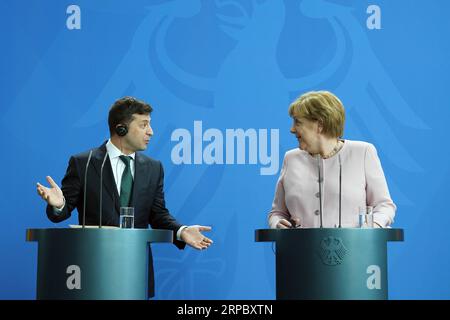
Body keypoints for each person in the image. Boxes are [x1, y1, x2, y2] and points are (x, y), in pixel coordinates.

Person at [36, 96, 213, 298]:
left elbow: (158, 215)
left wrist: (182, 231)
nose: (151, 132)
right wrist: (59, 205)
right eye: (144, 125)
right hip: (91, 271)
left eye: (150, 125)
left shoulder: (154, 168)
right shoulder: (83, 163)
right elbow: (61, 213)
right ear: (121, 128)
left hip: (134, 272)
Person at [268, 91, 396, 229]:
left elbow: (384, 206)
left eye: (298, 122)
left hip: (354, 248)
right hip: (300, 249)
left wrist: (372, 226)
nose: (292, 129)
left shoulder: (363, 152)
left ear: (320, 124)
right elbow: (277, 213)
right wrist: (277, 223)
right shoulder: (290, 158)